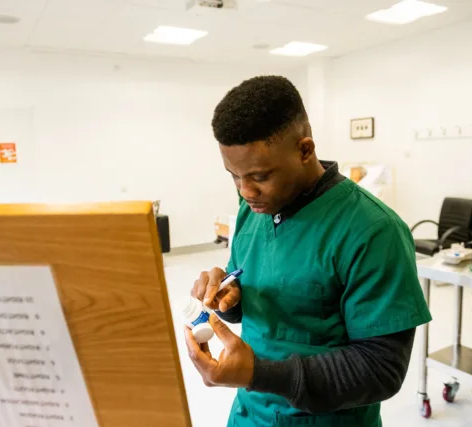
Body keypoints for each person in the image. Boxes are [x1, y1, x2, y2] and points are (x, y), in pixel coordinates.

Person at [185, 75, 432, 427]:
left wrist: (260, 373)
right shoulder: (252, 212)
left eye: (260, 176)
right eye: (234, 176)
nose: (245, 191)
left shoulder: (372, 231)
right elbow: (255, 304)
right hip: (249, 414)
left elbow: (381, 369)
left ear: (305, 150)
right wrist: (228, 296)